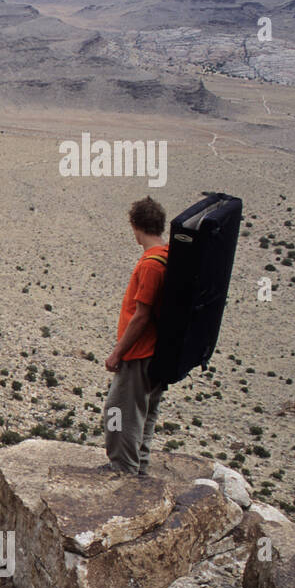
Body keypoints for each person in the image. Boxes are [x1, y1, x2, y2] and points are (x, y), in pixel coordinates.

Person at [103, 197, 169, 475]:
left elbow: (141, 315)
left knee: (117, 412)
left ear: (135, 225)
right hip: (158, 352)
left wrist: (118, 351)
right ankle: (138, 466)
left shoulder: (150, 265)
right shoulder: (168, 255)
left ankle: (123, 471)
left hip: (140, 352)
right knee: (146, 411)